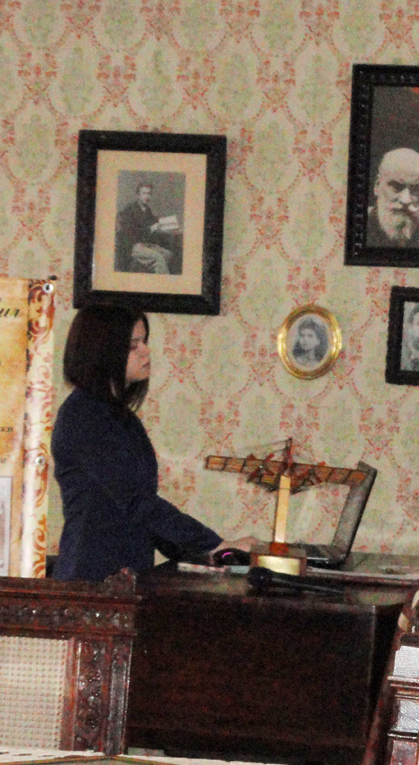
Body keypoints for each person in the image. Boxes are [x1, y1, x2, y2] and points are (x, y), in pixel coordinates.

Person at [52, 304, 254, 582]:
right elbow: (137, 503)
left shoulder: (119, 417)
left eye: (144, 341)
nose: (146, 351)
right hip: (92, 579)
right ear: (101, 352)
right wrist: (213, 546)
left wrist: (207, 555)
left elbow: (144, 514)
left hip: (123, 575)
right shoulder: (84, 416)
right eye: (133, 345)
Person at [115, 182, 182, 275]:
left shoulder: (147, 210)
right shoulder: (129, 210)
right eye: (144, 193)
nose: (147, 196)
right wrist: (151, 229)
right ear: (138, 195)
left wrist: (169, 225)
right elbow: (130, 233)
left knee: (168, 254)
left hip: (145, 244)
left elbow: (155, 221)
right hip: (132, 246)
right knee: (158, 257)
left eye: (149, 193)